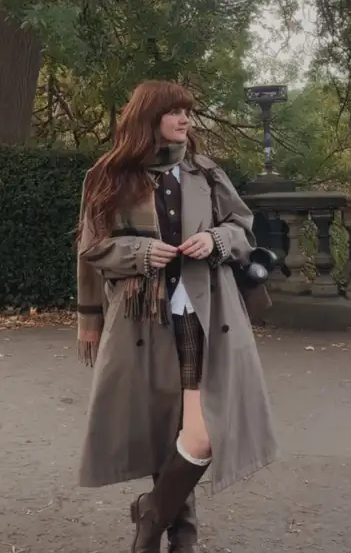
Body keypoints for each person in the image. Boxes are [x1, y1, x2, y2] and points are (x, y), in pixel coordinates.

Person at [76, 80, 278, 553]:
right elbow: (92, 248)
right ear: (149, 118)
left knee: (201, 434)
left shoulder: (205, 172)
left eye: (187, 111)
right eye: (174, 111)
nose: (185, 119)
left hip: (207, 314)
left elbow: (243, 228)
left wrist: (216, 240)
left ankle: (153, 513)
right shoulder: (108, 175)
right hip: (144, 318)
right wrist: (140, 252)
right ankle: (180, 531)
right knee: (164, 424)